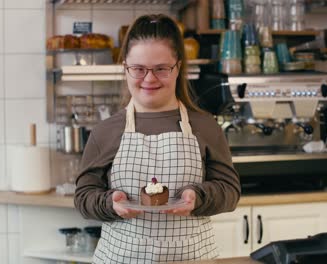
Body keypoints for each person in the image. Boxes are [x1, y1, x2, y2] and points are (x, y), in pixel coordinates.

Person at [74, 14, 241, 264]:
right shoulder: (106, 131)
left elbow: (230, 191)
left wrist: (199, 197)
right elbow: (83, 196)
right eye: (138, 69)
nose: (149, 79)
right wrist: (110, 203)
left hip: (194, 259)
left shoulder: (205, 126)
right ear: (125, 68)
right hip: (121, 259)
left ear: (178, 67)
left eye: (161, 68)